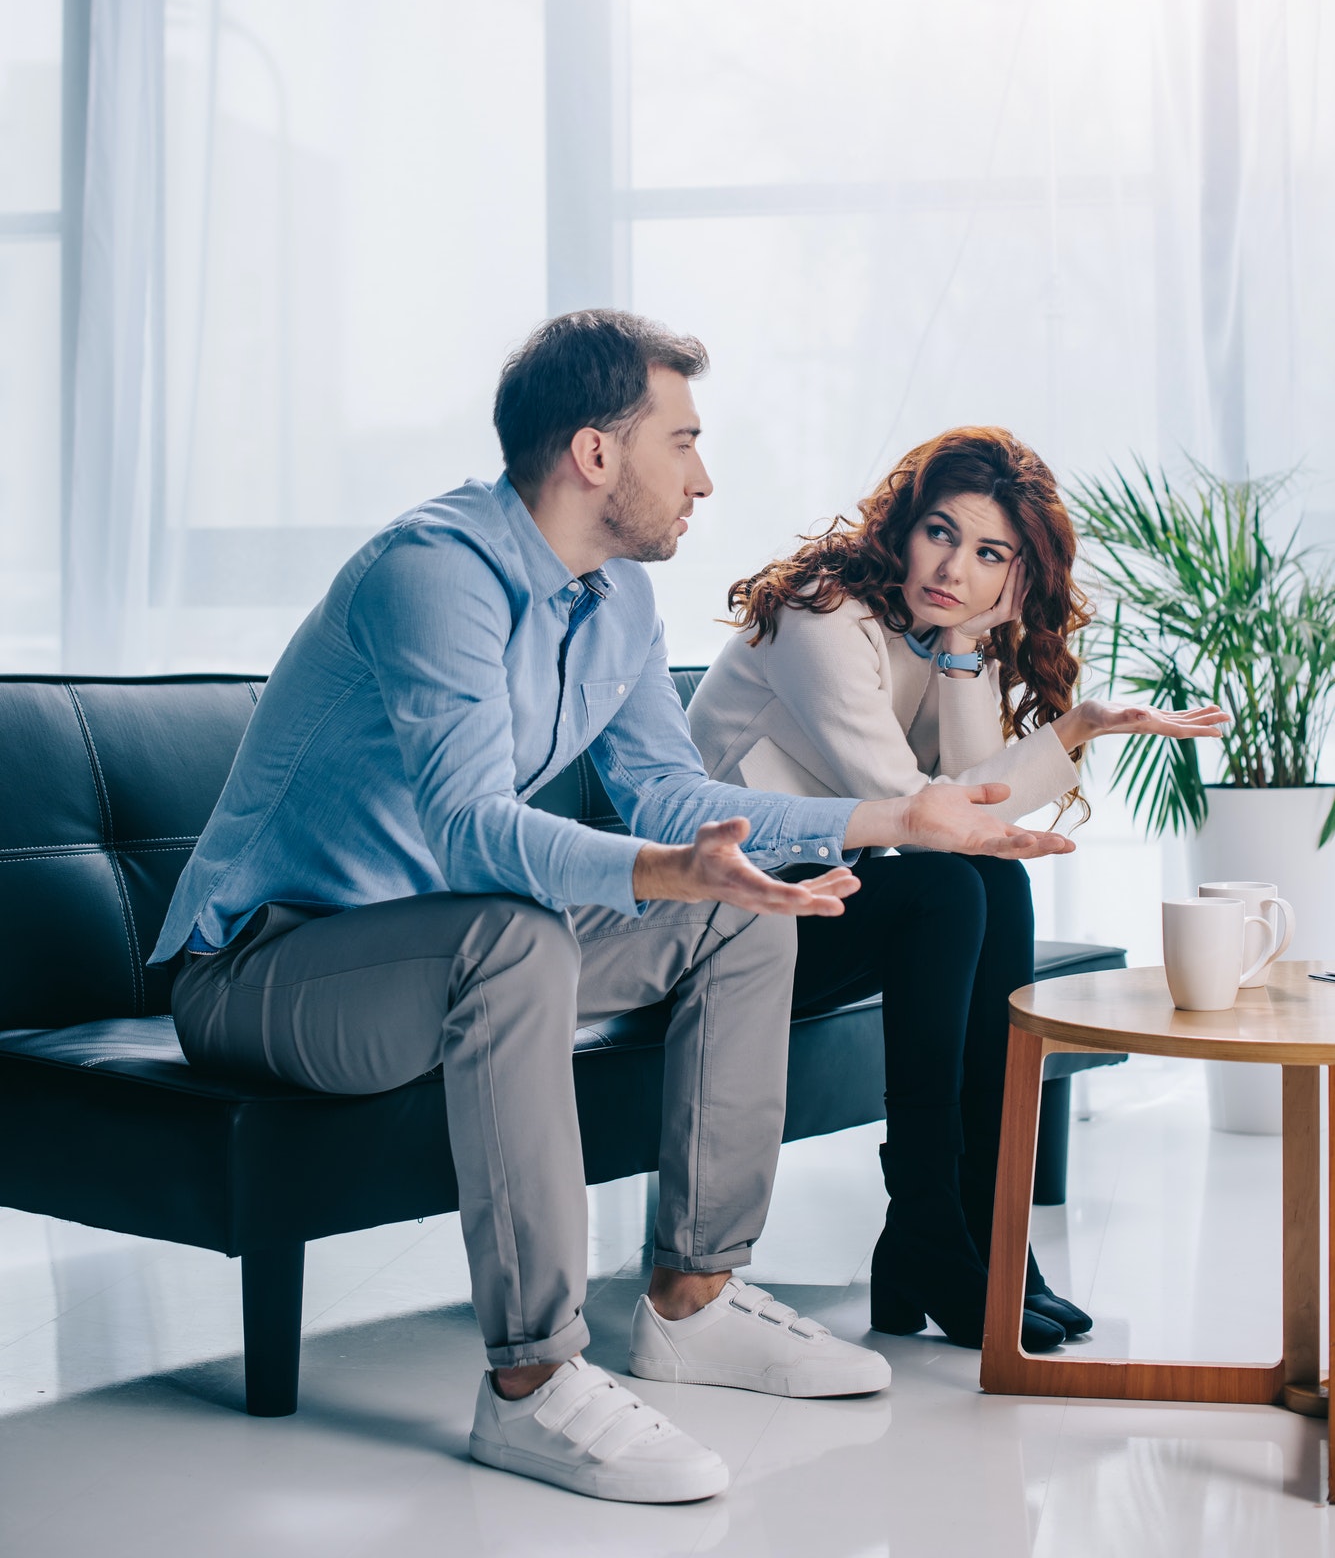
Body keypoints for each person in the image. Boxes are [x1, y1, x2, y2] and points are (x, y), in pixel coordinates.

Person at [148, 324, 1076, 1506]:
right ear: (595, 451)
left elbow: (670, 793)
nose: (702, 475)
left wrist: (893, 823)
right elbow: (474, 829)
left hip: (444, 942)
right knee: (519, 929)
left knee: (746, 907)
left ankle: (695, 1298)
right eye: (682, 439)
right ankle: (532, 1377)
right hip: (268, 967)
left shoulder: (618, 599)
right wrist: (661, 867)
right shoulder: (433, 572)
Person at [687, 426, 1226, 1354]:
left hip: (804, 901)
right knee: (948, 888)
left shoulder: (931, 635)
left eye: (988, 556)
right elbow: (922, 810)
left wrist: (1054, 706)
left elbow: (970, 795)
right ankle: (931, 1230)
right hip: (714, 919)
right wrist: (1004, 707)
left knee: (982, 887)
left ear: (1016, 576)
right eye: (940, 533)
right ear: (901, 527)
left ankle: (980, 1232)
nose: (953, 570)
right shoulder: (823, 618)